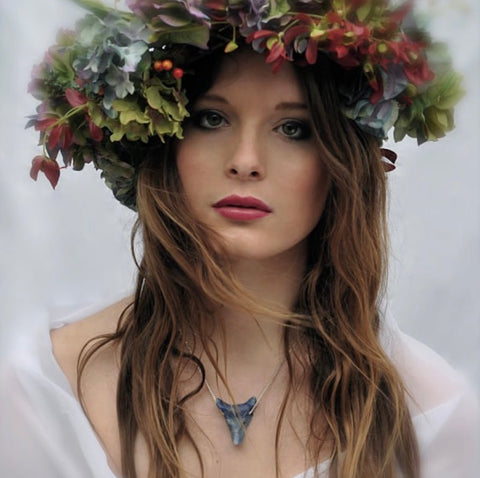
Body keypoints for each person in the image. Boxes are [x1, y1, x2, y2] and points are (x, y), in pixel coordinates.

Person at [0, 0, 478, 477]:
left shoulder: (431, 416)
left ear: (341, 163)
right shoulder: (45, 391)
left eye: (293, 128)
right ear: (165, 143)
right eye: (212, 119)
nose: (246, 160)